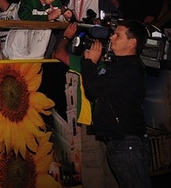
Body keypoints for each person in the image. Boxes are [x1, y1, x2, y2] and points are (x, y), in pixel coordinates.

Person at [59, 20, 152, 188]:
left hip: (127, 143)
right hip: (119, 141)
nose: (112, 38)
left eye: (118, 36)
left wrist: (89, 63)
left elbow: (93, 88)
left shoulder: (130, 68)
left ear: (132, 42)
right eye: (112, 34)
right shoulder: (118, 65)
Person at [53, 22, 120, 188]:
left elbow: (58, 54)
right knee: (111, 170)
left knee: (93, 171)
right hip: (113, 126)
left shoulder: (85, 65)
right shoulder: (117, 66)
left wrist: (66, 37)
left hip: (91, 125)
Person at [3, 0, 70, 60]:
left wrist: (68, 16)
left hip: (37, 52)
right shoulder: (28, 0)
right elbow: (24, 17)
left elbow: (63, 15)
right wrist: (48, 17)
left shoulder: (55, 2)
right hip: (16, 49)